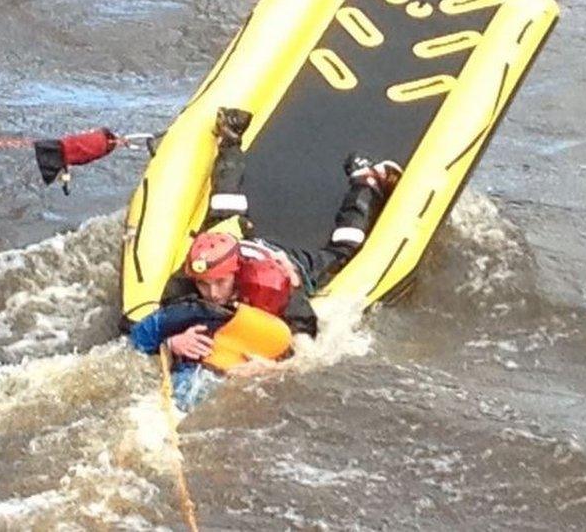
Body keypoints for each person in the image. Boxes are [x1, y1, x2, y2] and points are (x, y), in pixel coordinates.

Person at [128, 107, 401, 406]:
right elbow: (141, 335)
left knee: (344, 249)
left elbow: (309, 346)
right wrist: (171, 342)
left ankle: (367, 181)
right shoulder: (187, 284)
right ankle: (230, 137)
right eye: (204, 284)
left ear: (235, 273)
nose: (211, 293)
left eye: (219, 283)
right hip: (237, 241)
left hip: (286, 261)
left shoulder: (272, 285)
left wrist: (271, 369)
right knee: (223, 208)